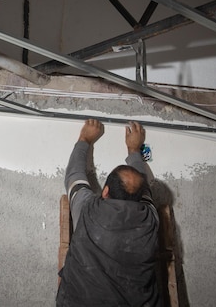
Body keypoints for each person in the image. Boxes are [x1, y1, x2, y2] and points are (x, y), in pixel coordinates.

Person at [56, 119, 160, 306]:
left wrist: (84, 139)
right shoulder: (150, 219)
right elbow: (145, 193)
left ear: (105, 191)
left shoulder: (88, 210)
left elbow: (74, 177)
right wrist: (134, 150)